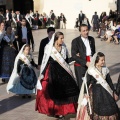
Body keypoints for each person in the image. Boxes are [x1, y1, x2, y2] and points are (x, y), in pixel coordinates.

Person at [36, 32, 79, 118]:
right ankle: (56, 111)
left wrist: (75, 57)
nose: (63, 40)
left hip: (63, 72)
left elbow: (66, 61)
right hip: (52, 71)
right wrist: (42, 74)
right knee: (53, 91)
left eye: (63, 38)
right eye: (61, 38)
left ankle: (63, 111)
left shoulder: (63, 48)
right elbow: (45, 61)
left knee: (66, 91)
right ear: (56, 39)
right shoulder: (49, 48)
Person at [76, 52, 119, 120]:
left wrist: (113, 91)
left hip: (105, 91)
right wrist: (85, 93)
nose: (103, 61)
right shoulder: (91, 70)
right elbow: (87, 83)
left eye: (104, 60)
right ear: (96, 60)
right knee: (98, 108)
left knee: (110, 107)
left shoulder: (105, 69)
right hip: (95, 91)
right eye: (102, 60)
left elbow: (109, 81)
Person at [71, 24, 96, 90]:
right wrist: (85, 62)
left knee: (91, 82)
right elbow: (74, 55)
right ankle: (82, 99)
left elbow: (93, 52)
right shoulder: (75, 41)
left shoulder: (91, 39)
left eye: (87, 30)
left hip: (91, 63)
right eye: (84, 31)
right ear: (80, 32)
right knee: (82, 84)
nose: (86, 32)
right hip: (80, 65)